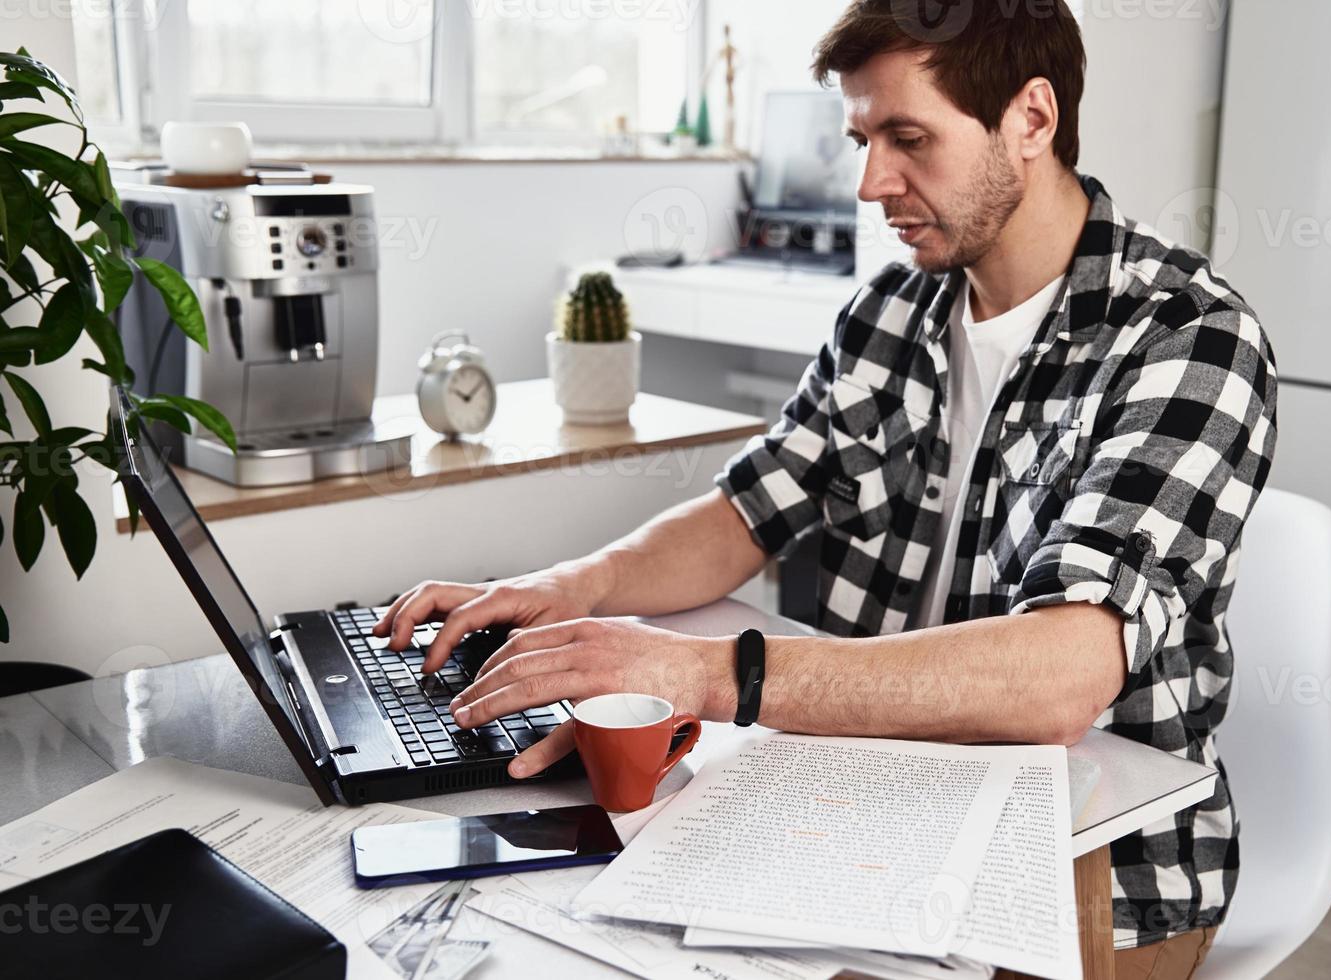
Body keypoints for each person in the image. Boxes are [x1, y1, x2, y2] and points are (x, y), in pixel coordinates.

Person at [374, 2, 1274, 974]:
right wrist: (575, 586)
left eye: (908, 138)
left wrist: (704, 671)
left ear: (1032, 118)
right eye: (861, 138)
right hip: (872, 800)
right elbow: (745, 511)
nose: (868, 184)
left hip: (1090, 867)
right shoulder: (890, 310)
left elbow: (1062, 673)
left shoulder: (1187, 338)